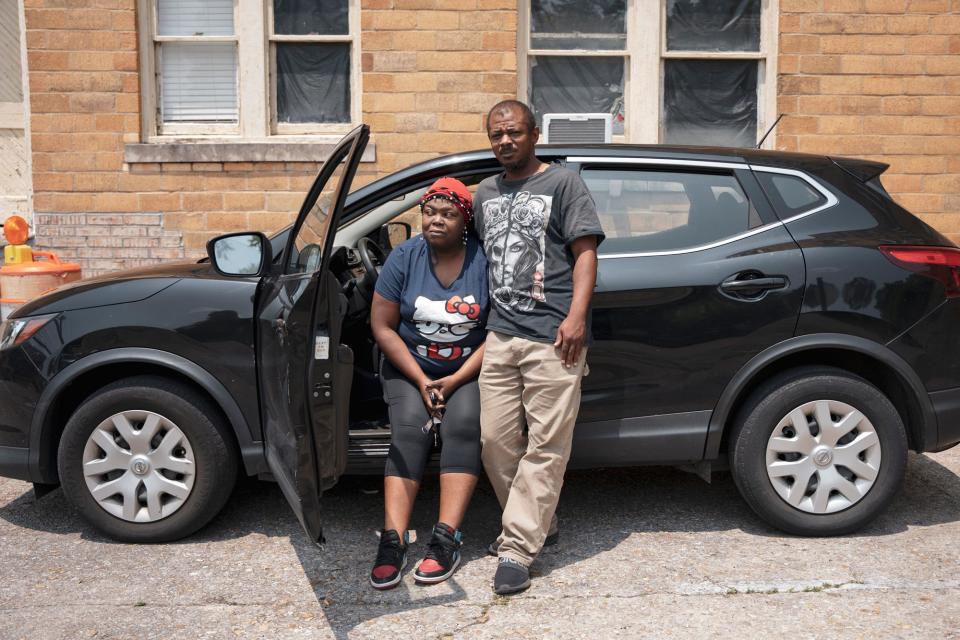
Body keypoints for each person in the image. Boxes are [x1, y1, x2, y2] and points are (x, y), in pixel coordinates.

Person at [474, 100, 604, 595]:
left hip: (554, 337)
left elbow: (585, 253)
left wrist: (575, 318)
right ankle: (538, 523)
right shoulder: (486, 191)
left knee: (547, 445)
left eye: (513, 132)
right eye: (496, 135)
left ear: (533, 135)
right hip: (501, 336)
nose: (504, 141)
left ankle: (518, 548)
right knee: (496, 442)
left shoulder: (564, 182)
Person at [368, 177, 489, 589]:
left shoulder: (483, 261)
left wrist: (454, 380)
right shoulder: (404, 257)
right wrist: (422, 380)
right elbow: (382, 327)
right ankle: (393, 540)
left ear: (465, 220)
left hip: (466, 368)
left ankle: (445, 538)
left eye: (448, 214)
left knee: (463, 425)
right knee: (409, 431)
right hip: (410, 367)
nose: (436, 220)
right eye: (430, 212)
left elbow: (498, 331)